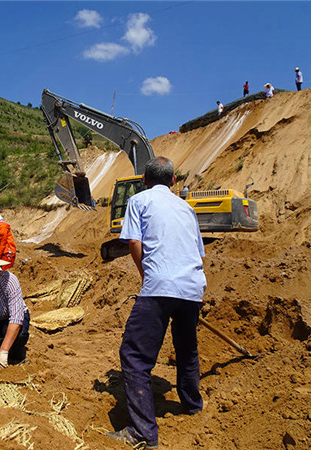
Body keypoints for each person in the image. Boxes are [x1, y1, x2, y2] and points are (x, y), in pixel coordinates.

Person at [107, 157, 207, 449]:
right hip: (192, 287)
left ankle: (143, 433)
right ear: (174, 180)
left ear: (144, 181)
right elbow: (199, 254)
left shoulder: (139, 201)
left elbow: (134, 243)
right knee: (187, 349)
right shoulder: (187, 208)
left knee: (134, 356)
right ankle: (192, 404)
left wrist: (145, 276)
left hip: (160, 285)